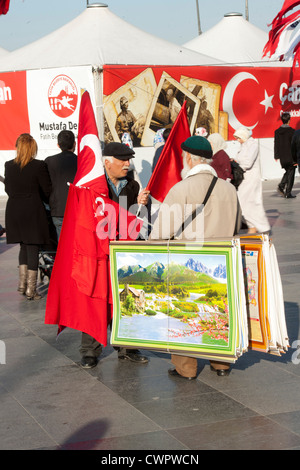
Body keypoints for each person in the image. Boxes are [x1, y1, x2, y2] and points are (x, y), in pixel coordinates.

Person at [150, 136, 241, 379]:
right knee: (219, 312)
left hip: (188, 262)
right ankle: (221, 363)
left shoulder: (182, 189)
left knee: (184, 314)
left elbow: (160, 233)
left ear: (189, 158)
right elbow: (236, 226)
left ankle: (186, 368)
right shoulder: (229, 189)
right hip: (222, 262)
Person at [80, 142, 150, 369]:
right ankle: (90, 351)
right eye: (123, 160)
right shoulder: (93, 185)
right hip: (98, 251)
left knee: (126, 299)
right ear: (107, 162)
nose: (128, 164)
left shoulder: (132, 185)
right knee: (96, 300)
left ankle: (128, 348)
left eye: (129, 160)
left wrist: (140, 205)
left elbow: (134, 219)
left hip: (123, 252)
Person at [4, 133, 52, 300]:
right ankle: (32, 289)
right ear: (32, 148)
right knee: (33, 247)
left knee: (23, 246)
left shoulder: (8, 165)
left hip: (14, 210)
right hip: (32, 209)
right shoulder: (39, 166)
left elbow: (8, 189)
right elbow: (46, 190)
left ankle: (22, 284)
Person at [233, 128, 270, 235]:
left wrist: (238, 165)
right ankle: (252, 226)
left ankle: (261, 227)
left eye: (239, 138)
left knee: (252, 203)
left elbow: (248, 162)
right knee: (244, 203)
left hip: (251, 180)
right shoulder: (244, 146)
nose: (238, 140)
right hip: (244, 180)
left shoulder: (253, 144)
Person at [45, 130, 77, 240]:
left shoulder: (49, 161)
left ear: (58, 145)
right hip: (77, 208)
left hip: (58, 209)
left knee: (63, 244)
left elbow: (46, 186)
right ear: (74, 144)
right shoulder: (81, 161)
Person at [274, 112, 297, 199]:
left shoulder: (277, 132)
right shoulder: (292, 131)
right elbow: (294, 145)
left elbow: (276, 144)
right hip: (291, 156)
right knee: (291, 173)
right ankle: (287, 191)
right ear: (289, 120)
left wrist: (276, 156)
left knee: (288, 171)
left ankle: (282, 186)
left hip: (283, 157)